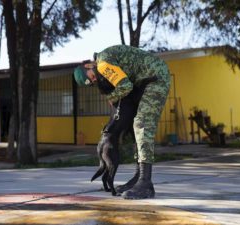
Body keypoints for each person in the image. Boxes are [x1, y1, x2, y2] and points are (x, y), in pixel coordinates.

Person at [73, 45, 171, 199]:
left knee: (141, 123)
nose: (95, 80)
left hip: (155, 78)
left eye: (91, 76)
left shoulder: (103, 64)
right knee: (133, 126)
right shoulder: (104, 61)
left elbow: (125, 86)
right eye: (92, 82)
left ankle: (145, 183)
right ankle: (138, 178)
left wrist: (112, 98)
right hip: (144, 81)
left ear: (88, 66)